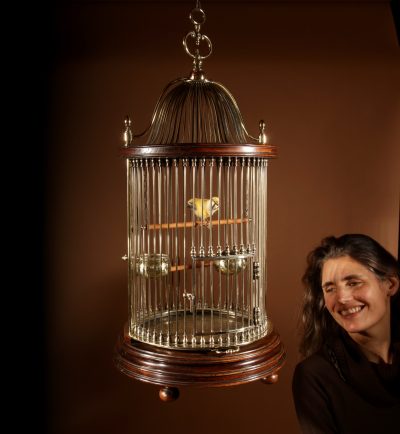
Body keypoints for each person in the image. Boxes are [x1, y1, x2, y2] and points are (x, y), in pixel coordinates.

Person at [292, 234, 400, 434]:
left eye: (353, 283)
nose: (341, 298)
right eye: (330, 288)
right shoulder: (314, 376)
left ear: (390, 285)